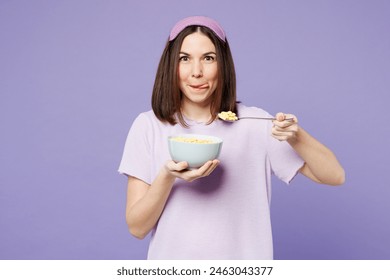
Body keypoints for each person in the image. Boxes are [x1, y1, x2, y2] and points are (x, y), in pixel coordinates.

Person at [118, 16, 345, 260]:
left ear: (223, 64)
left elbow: (334, 176)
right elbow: (137, 228)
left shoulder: (255, 124)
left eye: (208, 58)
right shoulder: (149, 126)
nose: (197, 72)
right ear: (171, 65)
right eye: (185, 59)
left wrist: (296, 135)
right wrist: (167, 176)